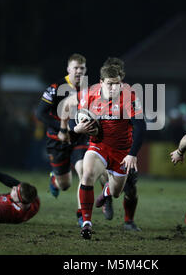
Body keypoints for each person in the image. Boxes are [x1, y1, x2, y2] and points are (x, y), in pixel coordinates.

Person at [59, 64, 146, 239]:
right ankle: (86, 223)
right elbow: (72, 117)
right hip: (99, 146)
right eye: (109, 84)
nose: (113, 87)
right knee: (87, 174)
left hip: (122, 151)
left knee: (115, 192)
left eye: (117, 83)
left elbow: (140, 127)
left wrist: (132, 154)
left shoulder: (130, 98)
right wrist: (76, 129)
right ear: (101, 82)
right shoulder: (90, 95)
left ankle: (106, 191)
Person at [35, 53, 90, 224]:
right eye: (76, 68)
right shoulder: (56, 87)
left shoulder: (88, 90)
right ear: (68, 69)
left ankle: (82, 215)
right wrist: (61, 128)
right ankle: (55, 179)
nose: (79, 71)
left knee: (84, 172)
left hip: (79, 138)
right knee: (65, 184)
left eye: (82, 68)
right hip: (57, 139)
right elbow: (40, 113)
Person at [99, 57, 141, 231]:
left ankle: (128, 221)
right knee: (102, 173)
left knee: (130, 189)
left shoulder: (128, 95)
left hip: (125, 147)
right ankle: (106, 196)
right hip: (102, 145)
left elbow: (139, 124)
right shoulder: (95, 93)